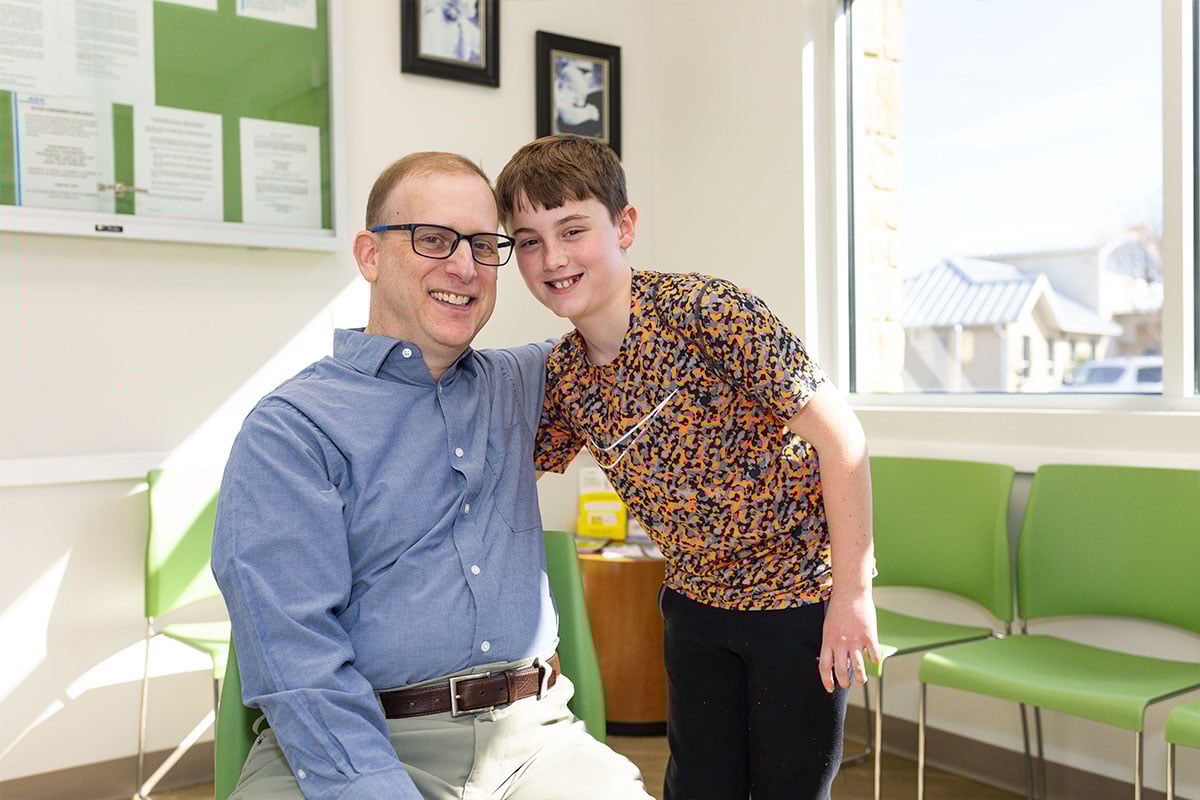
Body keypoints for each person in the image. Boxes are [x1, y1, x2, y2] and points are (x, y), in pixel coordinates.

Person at [212, 152, 652, 800]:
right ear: (369, 255)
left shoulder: (531, 384)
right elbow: (295, 657)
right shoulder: (291, 430)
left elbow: (650, 346)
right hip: (358, 743)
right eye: (434, 240)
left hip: (536, 747)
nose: (464, 267)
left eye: (483, 244)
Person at [496, 135, 881, 800]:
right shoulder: (564, 376)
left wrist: (851, 595)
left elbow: (841, 441)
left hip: (796, 604)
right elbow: (510, 477)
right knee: (699, 786)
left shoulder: (706, 312)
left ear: (624, 225)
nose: (552, 257)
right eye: (528, 241)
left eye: (572, 230)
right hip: (694, 608)